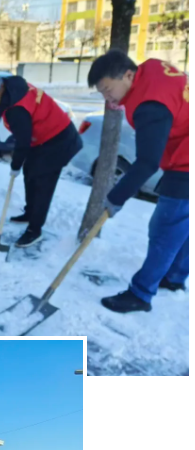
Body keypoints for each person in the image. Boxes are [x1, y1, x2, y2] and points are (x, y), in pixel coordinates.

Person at [87, 51, 188, 314]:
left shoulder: (149, 104)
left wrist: (115, 197)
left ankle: (140, 295)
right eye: (101, 92)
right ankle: (174, 277)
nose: (106, 97)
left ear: (128, 75)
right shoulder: (151, 69)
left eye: (108, 89)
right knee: (182, 225)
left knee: (165, 228)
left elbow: (146, 163)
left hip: (187, 163)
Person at [0, 71, 83, 248]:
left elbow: (23, 141)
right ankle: (29, 213)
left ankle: (35, 230)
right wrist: (21, 165)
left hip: (60, 139)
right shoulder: (11, 90)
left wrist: (15, 164)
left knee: (43, 181)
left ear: (1, 87)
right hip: (43, 137)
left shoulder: (16, 108)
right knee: (30, 172)